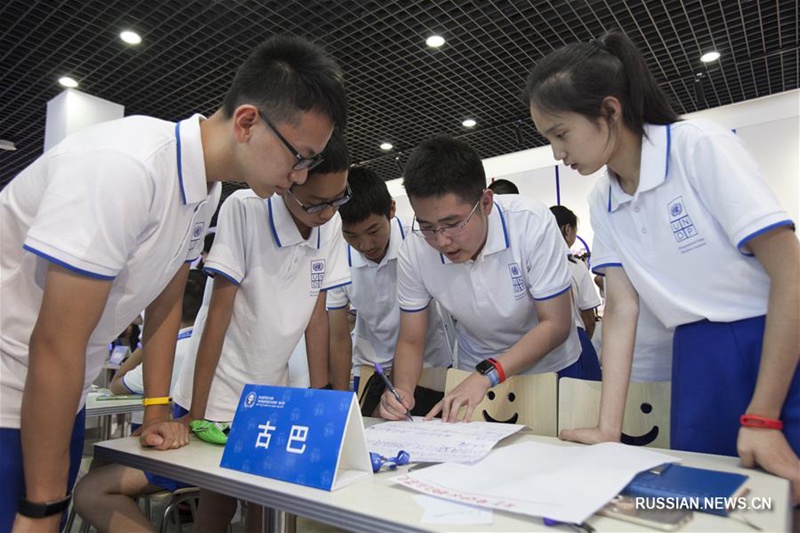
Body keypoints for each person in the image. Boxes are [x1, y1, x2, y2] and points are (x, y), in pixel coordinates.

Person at [0, 34, 346, 530]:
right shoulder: (127, 168)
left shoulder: (204, 192)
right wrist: (43, 504)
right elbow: (56, 341)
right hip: (13, 387)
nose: (298, 176)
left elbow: (163, 299)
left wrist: (157, 408)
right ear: (248, 122)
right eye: (300, 156)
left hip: (57, 395)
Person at [525, 30, 800, 501]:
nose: (556, 153)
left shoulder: (698, 147)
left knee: (782, 499)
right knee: (714, 503)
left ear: (609, 111)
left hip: (774, 344)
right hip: (693, 354)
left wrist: (762, 415)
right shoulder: (604, 198)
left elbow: (791, 275)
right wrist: (608, 428)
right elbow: (622, 311)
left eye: (561, 133)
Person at [171, 133, 351, 532]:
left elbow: (317, 317)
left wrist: (319, 397)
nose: (327, 213)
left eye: (338, 198)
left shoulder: (330, 223)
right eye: (316, 203)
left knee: (267, 500)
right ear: (289, 183)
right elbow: (218, 316)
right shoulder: (246, 209)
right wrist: (197, 414)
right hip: (220, 382)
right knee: (217, 500)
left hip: (272, 388)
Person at [380, 136, 600, 424]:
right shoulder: (415, 250)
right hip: (477, 373)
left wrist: (488, 374)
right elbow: (411, 339)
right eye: (427, 226)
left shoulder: (530, 222)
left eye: (453, 224)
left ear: (485, 202)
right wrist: (402, 391)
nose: (442, 240)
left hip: (551, 366)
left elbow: (556, 324)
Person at [72, 269, 207, 532]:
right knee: (104, 465)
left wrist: (147, 345)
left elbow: (118, 383)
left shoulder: (171, 352)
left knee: (89, 490)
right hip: (189, 449)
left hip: (175, 452)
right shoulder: (205, 345)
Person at [327, 166, 452, 415]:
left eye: (373, 231)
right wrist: (339, 405)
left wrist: (396, 387)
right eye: (351, 235)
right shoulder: (335, 252)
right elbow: (338, 337)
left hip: (430, 367)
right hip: (370, 369)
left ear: (391, 210)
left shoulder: (418, 243)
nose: (364, 245)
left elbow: (413, 336)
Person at [549, 205, 600, 339]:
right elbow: (589, 320)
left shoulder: (532, 263)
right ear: (567, 229)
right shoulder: (575, 265)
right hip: (574, 337)